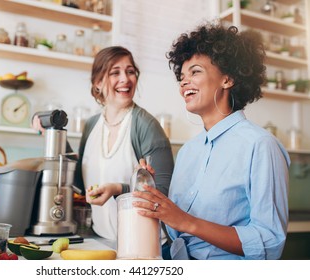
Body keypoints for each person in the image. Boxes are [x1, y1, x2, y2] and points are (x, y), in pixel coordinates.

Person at [132, 22, 290, 260]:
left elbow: (269, 242)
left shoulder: (260, 145)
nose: (184, 82)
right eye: (182, 77)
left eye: (195, 72)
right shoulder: (187, 152)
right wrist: (152, 193)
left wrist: (187, 221)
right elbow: (176, 231)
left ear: (227, 79)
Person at [32, 46, 174, 248]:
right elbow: (81, 183)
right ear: (98, 83)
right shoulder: (91, 125)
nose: (125, 79)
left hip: (146, 244)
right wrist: (52, 133)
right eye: (115, 72)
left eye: (130, 71)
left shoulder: (146, 126)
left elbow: (164, 193)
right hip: (102, 240)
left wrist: (119, 189)